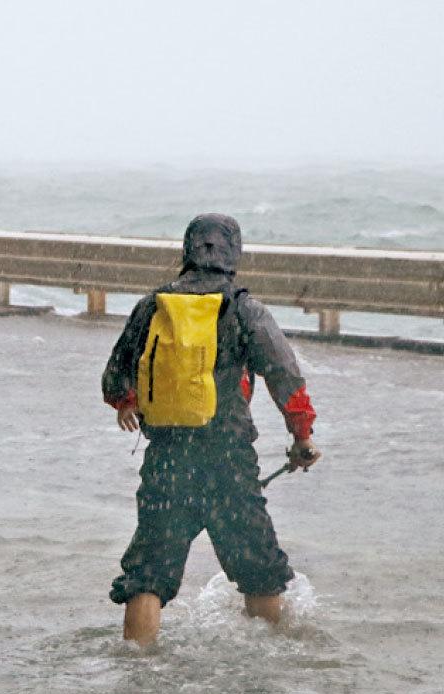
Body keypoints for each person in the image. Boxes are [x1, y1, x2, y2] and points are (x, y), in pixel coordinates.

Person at [101, 213, 320, 646]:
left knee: (148, 573)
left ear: (187, 251)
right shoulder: (242, 308)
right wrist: (302, 436)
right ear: (233, 254)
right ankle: (273, 666)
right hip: (228, 459)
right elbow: (285, 376)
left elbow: (115, 375)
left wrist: (126, 403)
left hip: (168, 457)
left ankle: (137, 670)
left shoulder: (154, 307)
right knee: (260, 571)